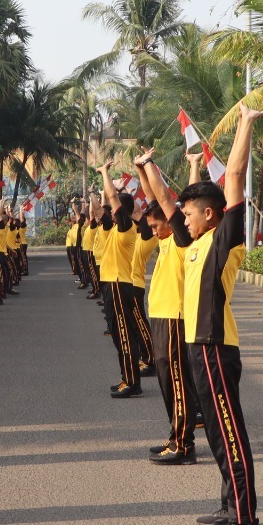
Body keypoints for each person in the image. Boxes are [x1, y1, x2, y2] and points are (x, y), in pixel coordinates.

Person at [155, 104, 263, 525]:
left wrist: (244, 123)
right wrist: (193, 168)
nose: (182, 217)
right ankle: (230, 504)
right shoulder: (196, 243)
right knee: (219, 437)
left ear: (210, 215)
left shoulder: (225, 241)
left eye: (191, 212)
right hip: (197, 347)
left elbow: (235, 176)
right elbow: (186, 200)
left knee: (229, 432)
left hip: (216, 347)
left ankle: (246, 519)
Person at [136, 150, 201, 464]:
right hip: (162, 317)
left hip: (175, 318)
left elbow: (165, 199)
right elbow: (153, 198)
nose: (153, 229)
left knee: (176, 382)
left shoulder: (179, 238)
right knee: (167, 380)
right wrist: (140, 170)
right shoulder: (164, 238)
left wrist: (150, 164)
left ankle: (183, 445)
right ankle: (175, 436)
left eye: (156, 225)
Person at [98, 166, 145, 398]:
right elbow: (105, 204)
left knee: (125, 334)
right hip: (111, 284)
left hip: (119, 284)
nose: (109, 211)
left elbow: (114, 198)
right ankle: (127, 376)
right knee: (118, 335)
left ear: (122, 212)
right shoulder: (117, 228)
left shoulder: (127, 228)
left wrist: (105, 173)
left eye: (114, 209)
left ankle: (132, 382)